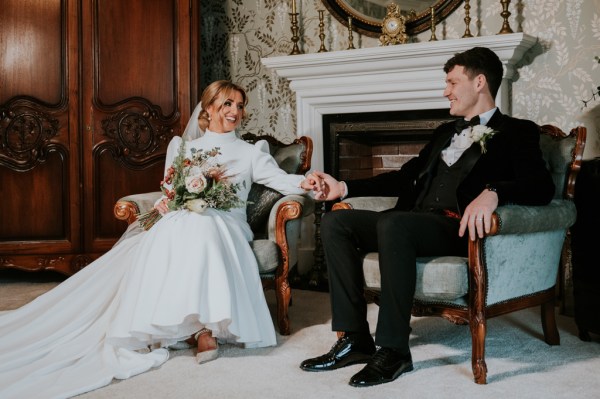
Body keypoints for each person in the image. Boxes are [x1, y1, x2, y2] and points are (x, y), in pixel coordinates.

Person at [0, 80, 322, 398]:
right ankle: (183, 325)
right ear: (208, 108)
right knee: (173, 227)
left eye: (239, 105)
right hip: (186, 213)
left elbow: (284, 181)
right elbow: (171, 189)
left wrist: (312, 183)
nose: (234, 111)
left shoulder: (253, 153)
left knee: (204, 227)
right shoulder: (185, 148)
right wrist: (172, 202)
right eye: (226, 104)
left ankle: (207, 327)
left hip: (227, 221)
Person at [300, 47, 555, 387]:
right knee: (336, 221)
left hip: (457, 227)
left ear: (479, 82)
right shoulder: (445, 132)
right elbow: (405, 177)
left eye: (452, 82)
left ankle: (393, 351)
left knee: (395, 222)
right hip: (411, 222)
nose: (445, 90)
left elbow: (541, 186)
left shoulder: (517, 131)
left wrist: (494, 191)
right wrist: (343, 187)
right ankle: (356, 340)